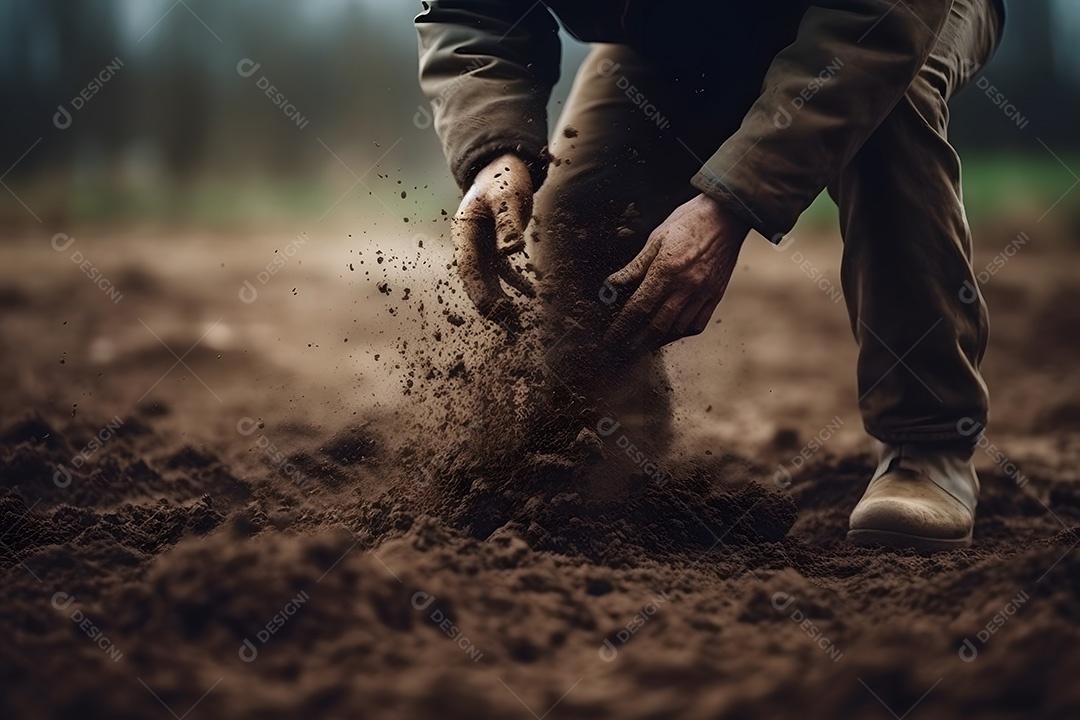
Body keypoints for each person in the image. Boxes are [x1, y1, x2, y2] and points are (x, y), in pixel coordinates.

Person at [415, 0, 1004, 552]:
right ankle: (610, 449)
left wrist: (730, 203)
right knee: (584, 208)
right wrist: (495, 149)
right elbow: (469, 9)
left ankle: (927, 445)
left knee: (888, 111)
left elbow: (882, 16)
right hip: (672, 34)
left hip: (874, 16)